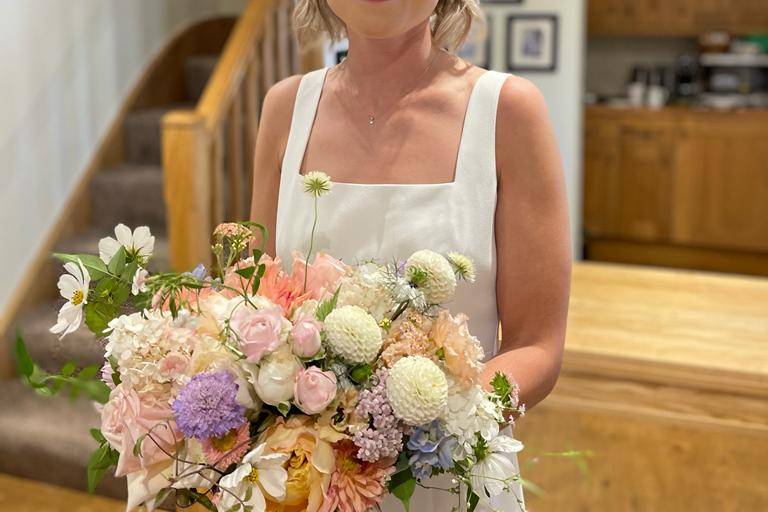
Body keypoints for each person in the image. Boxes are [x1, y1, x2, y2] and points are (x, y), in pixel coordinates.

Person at [250, 0, 571, 509]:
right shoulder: (285, 107)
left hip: (452, 479)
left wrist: (417, 420)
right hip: (306, 483)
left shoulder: (508, 110)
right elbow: (258, 305)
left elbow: (538, 348)